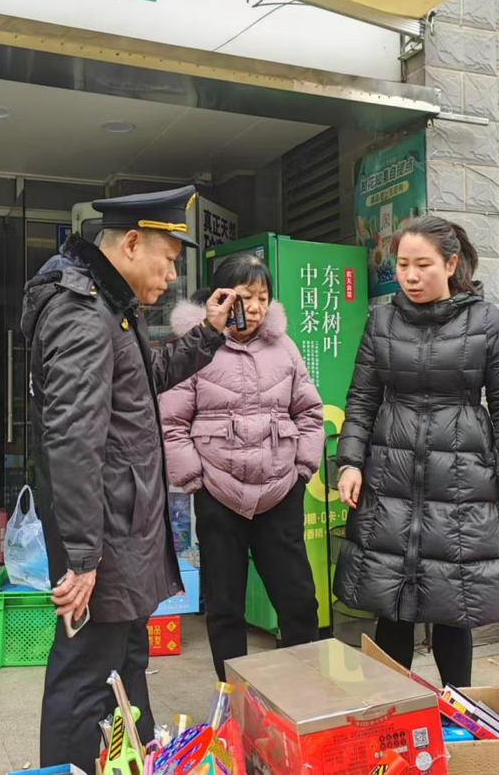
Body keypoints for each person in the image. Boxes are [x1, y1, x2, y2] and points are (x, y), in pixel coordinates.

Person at [22, 186, 237, 770]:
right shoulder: (82, 313)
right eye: (167, 259)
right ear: (132, 242)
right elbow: (71, 439)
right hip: (104, 531)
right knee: (87, 674)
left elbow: (144, 377)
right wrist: (85, 556)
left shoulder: (109, 309)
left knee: (123, 663)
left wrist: (209, 333)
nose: (172, 275)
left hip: (120, 523)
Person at [334, 215, 499, 687]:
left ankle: (457, 712)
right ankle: (392, 717)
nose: (411, 276)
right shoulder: (381, 320)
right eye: (402, 265)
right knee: (391, 604)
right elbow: (361, 397)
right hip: (390, 474)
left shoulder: (485, 321)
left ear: (451, 263)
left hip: (462, 476)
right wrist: (350, 461)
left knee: (452, 603)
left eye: (423, 264)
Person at [160, 252, 323, 681]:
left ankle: (301, 694)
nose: (253, 307)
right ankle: (232, 699)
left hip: (280, 493)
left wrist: (303, 469)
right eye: (244, 296)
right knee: (225, 605)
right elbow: (172, 423)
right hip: (218, 496)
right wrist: (195, 480)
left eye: (262, 297)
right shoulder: (194, 347)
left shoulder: (284, 347)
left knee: (299, 601)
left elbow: (309, 412)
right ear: (220, 296)